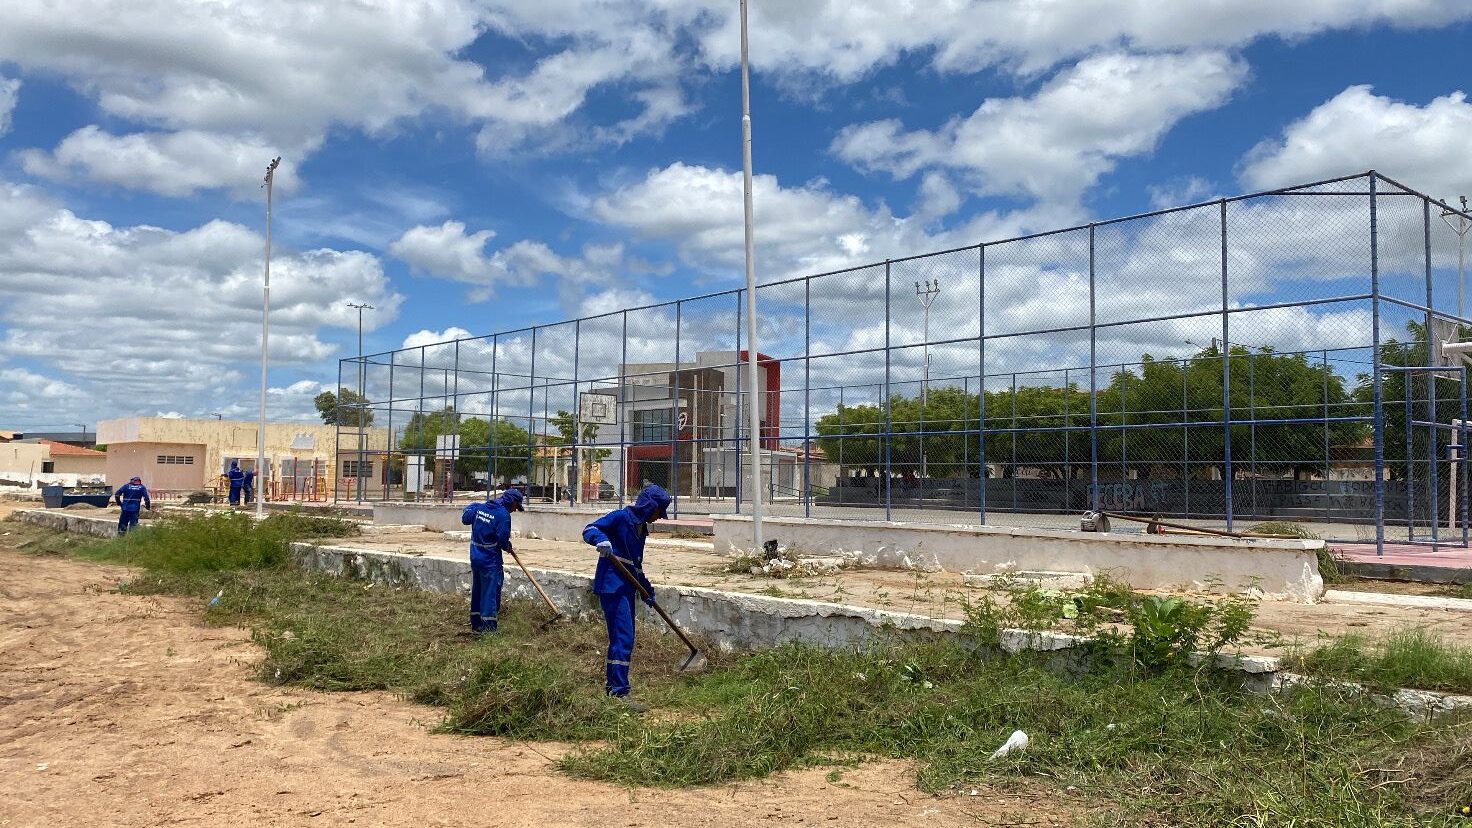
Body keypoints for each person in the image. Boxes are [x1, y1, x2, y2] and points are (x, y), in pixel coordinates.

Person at [582, 484, 671, 701]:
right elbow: (589, 529)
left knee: (623, 639)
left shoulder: (641, 530)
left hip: (627, 587)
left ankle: (614, 689)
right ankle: (619, 693)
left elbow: (635, 566)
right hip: (612, 586)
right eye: (660, 511)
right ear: (650, 507)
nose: (660, 517)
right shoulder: (621, 518)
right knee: (623, 638)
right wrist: (600, 540)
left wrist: (646, 590)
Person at [458, 487, 524, 633]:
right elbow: (502, 541)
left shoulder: (481, 508)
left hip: (475, 557)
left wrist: (472, 508)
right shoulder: (503, 515)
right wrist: (508, 546)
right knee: (490, 593)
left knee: (478, 589)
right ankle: (488, 630)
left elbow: (465, 519)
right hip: (490, 560)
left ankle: (476, 625)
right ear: (511, 502)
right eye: (516, 506)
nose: (515, 510)